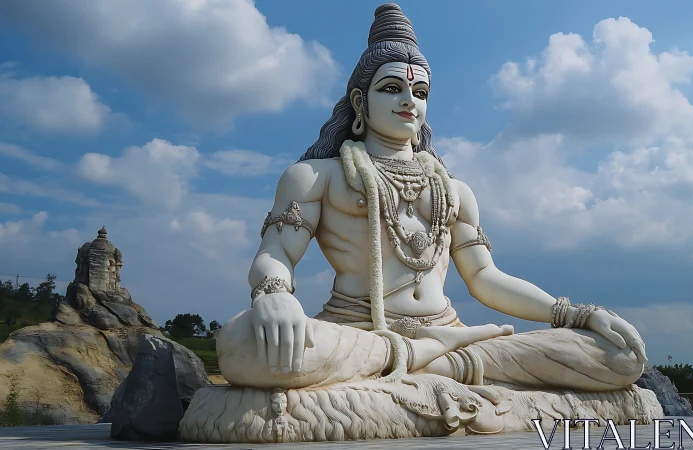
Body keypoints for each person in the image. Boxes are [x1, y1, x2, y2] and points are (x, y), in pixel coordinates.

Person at [216, 3, 646, 392]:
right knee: (242, 343)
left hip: (451, 330)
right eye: (392, 89)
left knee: (621, 356)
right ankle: (432, 359)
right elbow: (276, 252)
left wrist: (574, 314)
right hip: (360, 332)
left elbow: (485, 278)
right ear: (359, 101)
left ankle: (424, 359)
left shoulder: (453, 189)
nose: (409, 102)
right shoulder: (316, 177)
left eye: (420, 93)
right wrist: (273, 294)